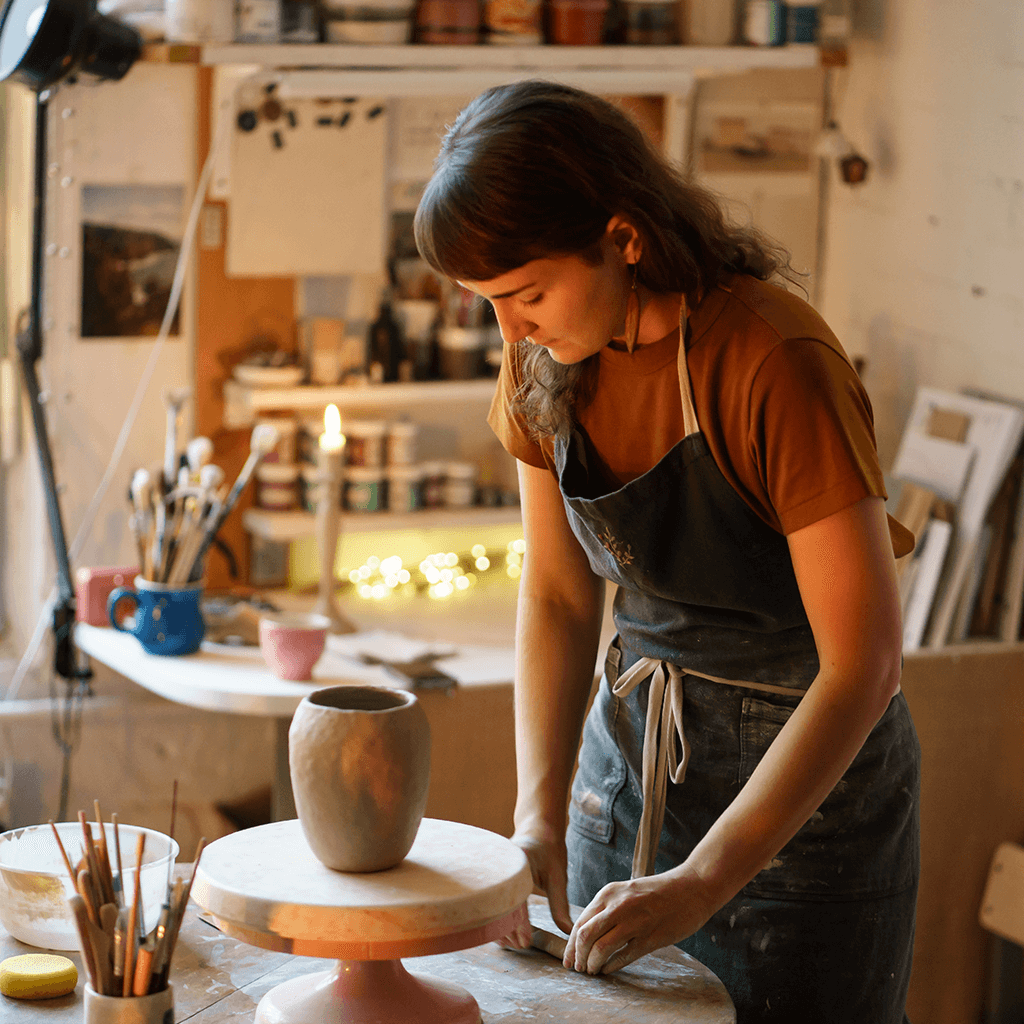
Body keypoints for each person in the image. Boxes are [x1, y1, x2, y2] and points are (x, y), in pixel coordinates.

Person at [413, 80, 920, 1024]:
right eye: (487, 303)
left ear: (624, 236)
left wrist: (705, 878)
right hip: (631, 776)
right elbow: (560, 601)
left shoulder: (773, 360)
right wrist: (541, 816)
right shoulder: (541, 364)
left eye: (526, 294)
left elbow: (866, 666)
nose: (509, 332)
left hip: (802, 819)